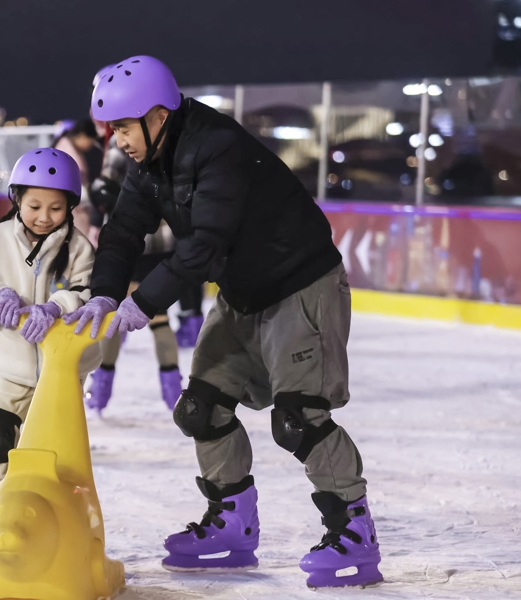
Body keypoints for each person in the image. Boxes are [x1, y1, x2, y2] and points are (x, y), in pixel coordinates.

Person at [66, 56, 381, 588]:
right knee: (201, 408)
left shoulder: (218, 148)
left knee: (299, 418)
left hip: (300, 285)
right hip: (242, 292)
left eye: (123, 127)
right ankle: (233, 525)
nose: (118, 140)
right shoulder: (151, 160)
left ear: (158, 116)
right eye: (112, 129)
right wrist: (103, 294)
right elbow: (122, 232)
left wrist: (145, 303)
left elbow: (204, 245)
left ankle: (354, 531)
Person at [0, 148, 100, 512]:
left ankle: (54, 512)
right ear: (17, 199)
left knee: (54, 447)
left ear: (70, 206)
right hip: (11, 367)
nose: (44, 217)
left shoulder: (79, 248)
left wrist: (57, 306)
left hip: (63, 372)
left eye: (55, 208)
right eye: (34, 206)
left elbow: (89, 294)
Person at [86, 108, 182, 413]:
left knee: (115, 319)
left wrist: (97, 201)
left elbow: (105, 187)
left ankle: (101, 387)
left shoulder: (122, 145)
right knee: (160, 317)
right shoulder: (173, 144)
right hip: (165, 244)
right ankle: (173, 390)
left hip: (134, 241)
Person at [53, 118, 101, 241]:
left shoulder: (67, 148)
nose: (91, 145)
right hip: (74, 210)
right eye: (91, 141)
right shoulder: (67, 153)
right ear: (82, 136)